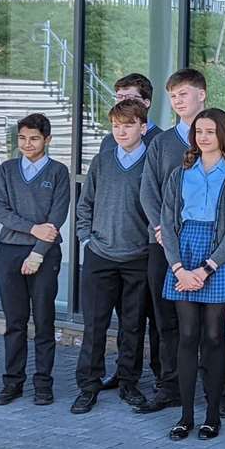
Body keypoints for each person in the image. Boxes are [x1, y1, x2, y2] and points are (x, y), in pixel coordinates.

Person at [159, 109, 225, 441]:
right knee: (186, 337)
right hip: (183, 256)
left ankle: (213, 415)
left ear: (223, 135)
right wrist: (178, 269)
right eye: (198, 131)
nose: (202, 137)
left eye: (210, 131)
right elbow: (168, 224)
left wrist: (207, 268)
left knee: (213, 337)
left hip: (219, 258)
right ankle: (185, 416)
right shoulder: (180, 173)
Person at [74, 99, 156, 414]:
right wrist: (85, 238)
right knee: (94, 325)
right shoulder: (102, 160)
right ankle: (88, 386)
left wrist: (149, 246)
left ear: (143, 127)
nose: (121, 131)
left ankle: (128, 383)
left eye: (128, 125)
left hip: (137, 257)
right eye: (116, 125)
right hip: (100, 255)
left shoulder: (153, 161)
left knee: (133, 325)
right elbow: (85, 203)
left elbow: (159, 209)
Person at [136, 70, 208, 416]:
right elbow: (148, 190)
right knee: (166, 319)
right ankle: (170, 387)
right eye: (173, 96)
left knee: (208, 322)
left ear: (202, 95)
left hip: (206, 246)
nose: (178, 101)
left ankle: (214, 391)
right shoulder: (161, 143)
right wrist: (160, 228)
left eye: (184, 94)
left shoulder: (216, 137)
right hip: (163, 244)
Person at [0, 113, 70, 406]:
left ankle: (43, 384)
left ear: (47, 140)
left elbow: (57, 216)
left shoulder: (58, 172)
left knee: (44, 321)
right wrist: (32, 228)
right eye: (22, 138)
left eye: (34, 138)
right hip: (9, 251)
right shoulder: (7, 170)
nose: (27, 144)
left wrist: (37, 252)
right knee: (15, 321)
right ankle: (12, 383)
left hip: (45, 256)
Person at [97, 72, 161, 391]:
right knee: (128, 317)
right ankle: (125, 374)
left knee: (157, 318)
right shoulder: (110, 142)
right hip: (117, 249)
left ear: (146, 105)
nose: (122, 105)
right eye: (118, 99)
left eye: (129, 99)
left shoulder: (160, 141)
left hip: (152, 248)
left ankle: (163, 374)